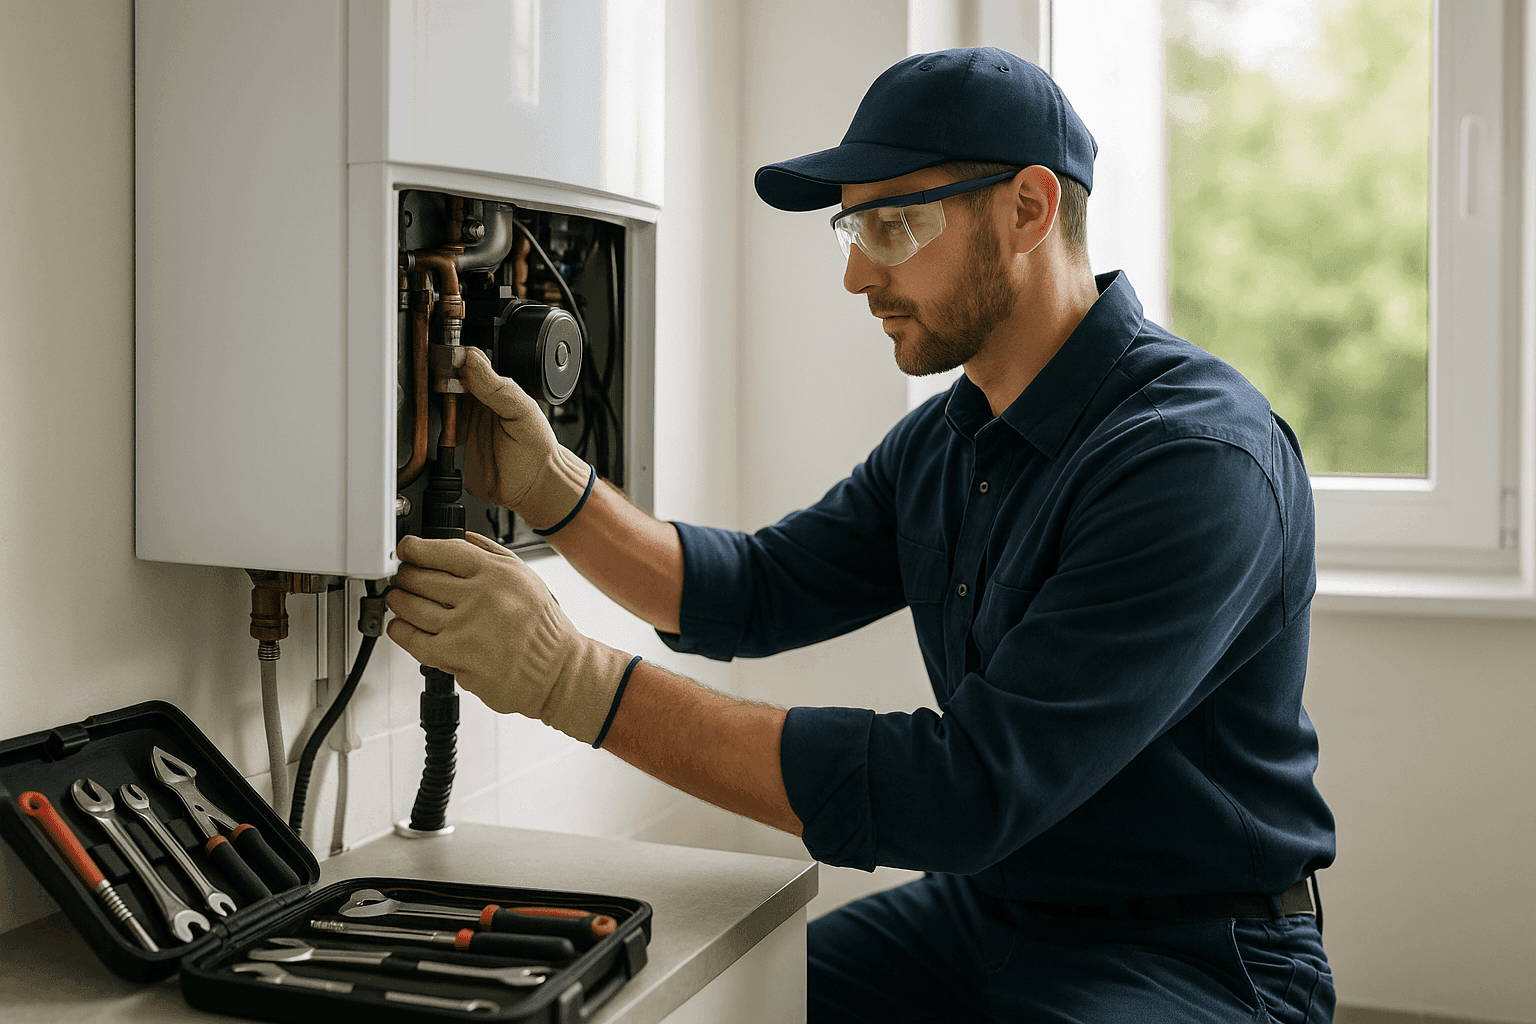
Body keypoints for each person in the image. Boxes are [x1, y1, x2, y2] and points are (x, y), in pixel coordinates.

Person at [387, 47, 1337, 1023]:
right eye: (853, 225)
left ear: (1029, 209)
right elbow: (754, 589)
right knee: (735, 1004)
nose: (853, 272)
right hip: (991, 911)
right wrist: (550, 487)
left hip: (1195, 956)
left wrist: (566, 680)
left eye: (892, 224)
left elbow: (965, 789)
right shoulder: (953, 437)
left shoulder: (1193, 463)